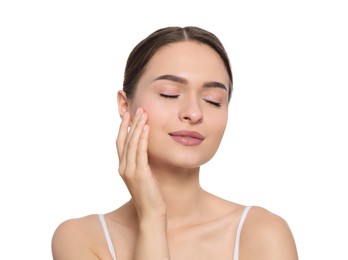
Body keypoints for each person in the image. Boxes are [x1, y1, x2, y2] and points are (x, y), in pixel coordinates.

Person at [51, 26, 298, 260]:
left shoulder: (262, 232)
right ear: (125, 105)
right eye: (169, 94)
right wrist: (152, 217)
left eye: (213, 100)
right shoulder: (81, 238)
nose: (194, 113)